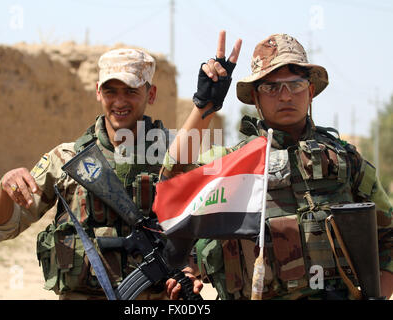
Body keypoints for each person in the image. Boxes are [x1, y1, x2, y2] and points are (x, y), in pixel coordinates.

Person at [164, 31, 392, 300]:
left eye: (295, 85)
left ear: (310, 91)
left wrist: (376, 293)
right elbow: (171, 183)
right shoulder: (232, 164)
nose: (285, 96)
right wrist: (205, 106)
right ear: (256, 98)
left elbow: (388, 236)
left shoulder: (345, 161)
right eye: (271, 87)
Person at [0, 48, 175, 300]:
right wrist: (4, 189)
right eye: (110, 91)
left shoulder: (172, 159)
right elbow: (3, 227)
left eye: (131, 91)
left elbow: (206, 225)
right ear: (98, 91)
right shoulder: (66, 159)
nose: (119, 102)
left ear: (150, 94)